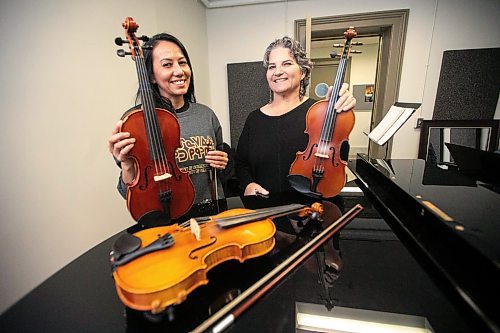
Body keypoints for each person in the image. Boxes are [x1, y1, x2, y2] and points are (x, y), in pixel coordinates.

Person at [107, 33, 229, 209]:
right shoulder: (134, 122)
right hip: (165, 219)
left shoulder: (206, 115)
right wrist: (126, 165)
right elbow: (128, 193)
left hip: (210, 214)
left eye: (182, 62)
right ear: (151, 76)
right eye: (167, 65)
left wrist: (222, 162)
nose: (179, 71)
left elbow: (219, 171)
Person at [235, 36, 356, 197]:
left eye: (287, 64)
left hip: (310, 208)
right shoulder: (254, 119)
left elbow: (340, 158)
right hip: (263, 211)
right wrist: (248, 184)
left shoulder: (318, 112)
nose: (278, 72)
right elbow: (241, 163)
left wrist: (336, 113)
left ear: (303, 72)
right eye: (272, 67)